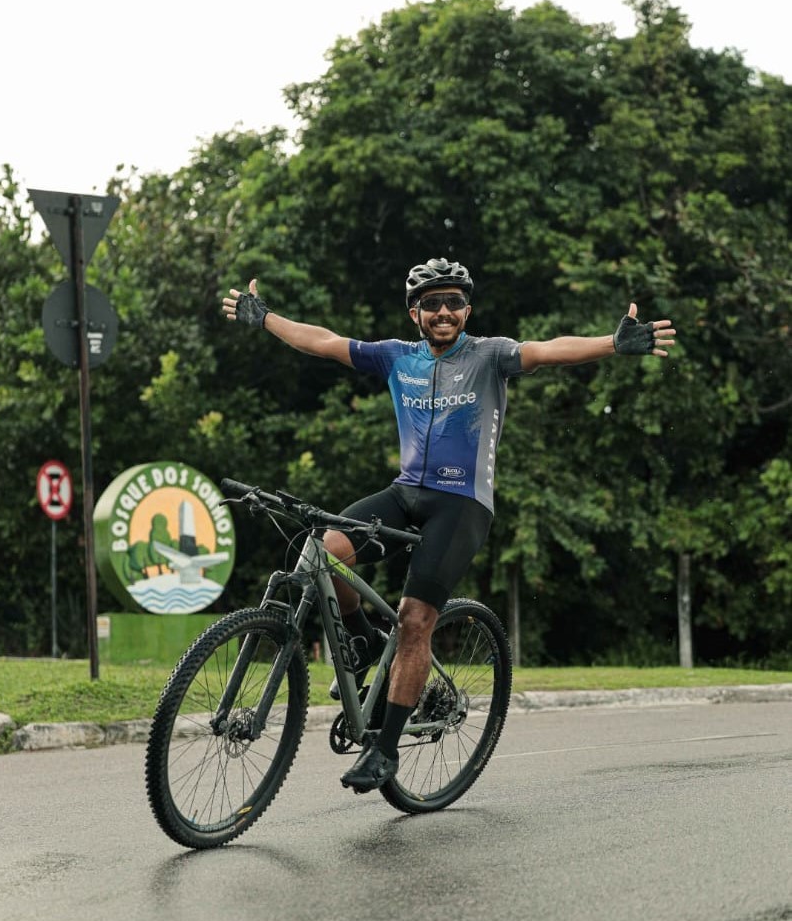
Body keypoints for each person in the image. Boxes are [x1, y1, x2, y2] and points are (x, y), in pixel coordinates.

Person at [222, 257, 676, 793]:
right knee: (325, 548)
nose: (444, 311)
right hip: (405, 492)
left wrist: (610, 343)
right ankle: (364, 639)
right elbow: (321, 340)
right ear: (415, 312)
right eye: (432, 303)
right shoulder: (397, 358)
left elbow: (549, 350)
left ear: (467, 310)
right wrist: (266, 317)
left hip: (462, 505)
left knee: (416, 620)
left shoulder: (490, 356)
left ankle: (384, 750)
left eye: (454, 302)